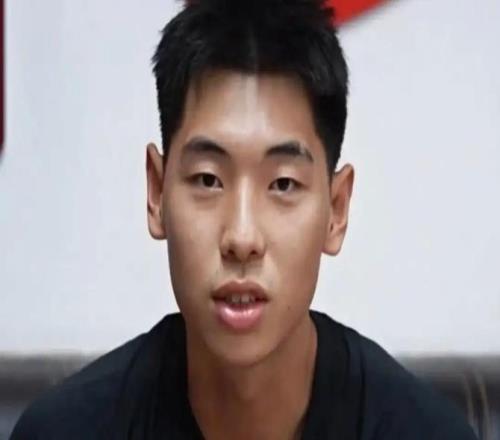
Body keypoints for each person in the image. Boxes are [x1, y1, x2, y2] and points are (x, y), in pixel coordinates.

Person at [11, 0, 478, 439]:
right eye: (208, 180)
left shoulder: (423, 431)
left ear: (336, 209)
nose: (241, 237)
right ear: (157, 193)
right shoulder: (67, 430)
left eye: (283, 184)